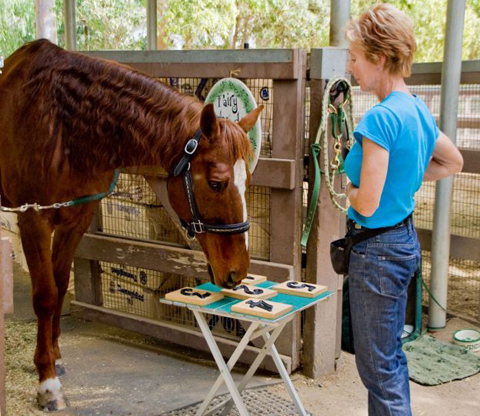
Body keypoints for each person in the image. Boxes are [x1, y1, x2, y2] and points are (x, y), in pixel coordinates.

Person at [343, 4, 463, 416]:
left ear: (378, 58)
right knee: (389, 360)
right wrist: (406, 178)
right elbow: (453, 162)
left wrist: (349, 189)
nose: (351, 66)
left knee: (378, 368)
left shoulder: (380, 119)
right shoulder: (417, 112)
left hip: (376, 251)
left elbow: (368, 201)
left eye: (355, 58)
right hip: (402, 243)